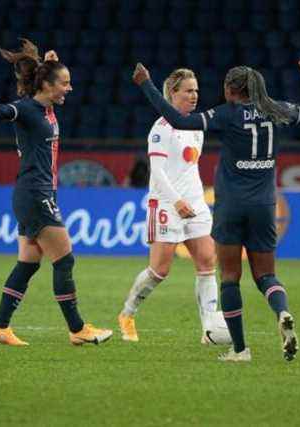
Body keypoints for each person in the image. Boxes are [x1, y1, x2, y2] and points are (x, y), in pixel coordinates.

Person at [133, 59, 300, 362]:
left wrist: (147, 85)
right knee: (266, 275)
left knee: (230, 277)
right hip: (264, 205)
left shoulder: (227, 114)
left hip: (232, 206)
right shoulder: (277, 109)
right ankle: (282, 311)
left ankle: (240, 349)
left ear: (231, 90)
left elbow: (178, 120)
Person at [0, 38, 112, 346]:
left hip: (37, 194)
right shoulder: (27, 110)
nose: (70, 88)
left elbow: (47, 79)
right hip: (34, 193)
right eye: (65, 84)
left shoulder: (47, 105)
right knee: (64, 260)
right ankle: (78, 329)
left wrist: (50, 63)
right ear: (48, 86)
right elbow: (0, 111)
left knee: (28, 263)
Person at [117, 68, 230, 345]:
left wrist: (194, 198)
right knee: (160, 270)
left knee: (206, 262)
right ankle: (127, 314)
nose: (194, 96)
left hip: (194, 202)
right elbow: (157, 171)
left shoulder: (195, 127)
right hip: (167, 203)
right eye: (188, 91)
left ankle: (209, 330)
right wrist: (176, 201)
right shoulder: (161, 129)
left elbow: (189, 167)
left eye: (196, 91)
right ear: (172, 93)